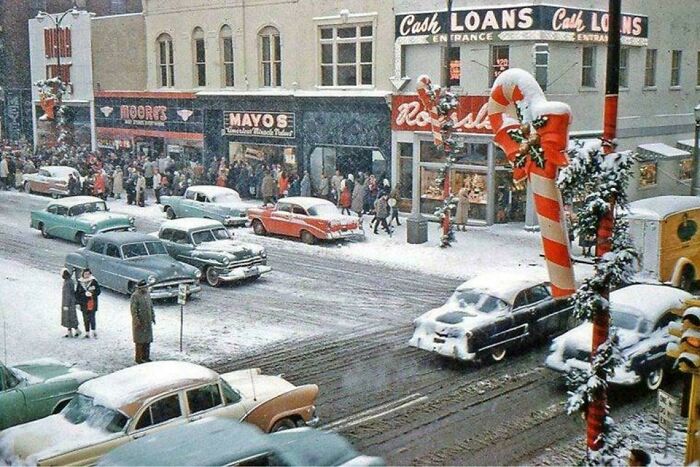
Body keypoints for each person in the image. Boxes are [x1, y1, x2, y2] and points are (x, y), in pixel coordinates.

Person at [131, 280, 155, 364]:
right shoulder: (135, 296)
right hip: (140, 323)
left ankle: (146, 357)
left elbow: (151, 306)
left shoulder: (148, 294)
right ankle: (139, 358)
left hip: (147, 322)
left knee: (147, 341)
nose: (146, 289)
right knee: (140, 342)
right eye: (144, 288)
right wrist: (137, 321)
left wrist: (153, 317)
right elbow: (133, 311)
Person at [75, 269, 100, 338]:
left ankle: (93, 330)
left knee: (92, 317)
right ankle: (87, 332)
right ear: (83, 274)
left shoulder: (93, 281)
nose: (87, 275)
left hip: (92, 302)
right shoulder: (80, 282)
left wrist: (92, 293)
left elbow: (98, 291)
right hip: (83, 303)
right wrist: (78, 302)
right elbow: (77, 293)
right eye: (85, 274)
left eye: (88, 274)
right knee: (85, 318)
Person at [61, 269, 80, 338]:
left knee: (68, 317)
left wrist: (66, 305)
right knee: (71, 317)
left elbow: (67, 294)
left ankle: (71, 332)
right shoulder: (70, 281)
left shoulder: (67, 282)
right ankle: (75, 331)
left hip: (67, 303)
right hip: (71, 302)